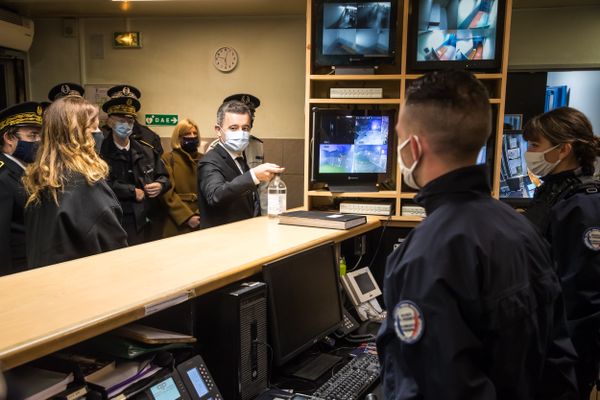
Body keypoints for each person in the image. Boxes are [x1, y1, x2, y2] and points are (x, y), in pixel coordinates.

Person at [376, 70, 578, 399]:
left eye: (397, 138)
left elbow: (430, 387)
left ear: (413, 147)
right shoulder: (520, 228)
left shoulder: (424, 254)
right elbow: (558, 359)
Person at [522, 107, 600, 398]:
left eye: (534, 145)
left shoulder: (583, 204)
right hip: (543, 338)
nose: (528, 152)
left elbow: (582, 294)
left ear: (563, 149)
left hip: (563, 352)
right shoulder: (554, 190)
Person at [22, 96, 127, 268]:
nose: (100, 133)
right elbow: (113, 252)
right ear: (79, 136)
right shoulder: (88, 186)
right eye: (95, 127)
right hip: (83, 286)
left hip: (45, 283)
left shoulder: (41, 182)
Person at [197, 100, 283, 229]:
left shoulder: (240, 158)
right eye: (233, 128)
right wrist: (253, 175)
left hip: (243, 233)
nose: (241, 133)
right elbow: (216, 196)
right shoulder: (209, 161)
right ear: (218, 130)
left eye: (245, 128)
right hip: (221, 239)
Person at [99, 94, 170, 245]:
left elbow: (164, 176)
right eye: (121, 121)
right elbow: (101, 184)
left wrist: (160, 185)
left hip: (145, 220)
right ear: (110, 122)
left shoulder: (146, 151)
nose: (126, 125)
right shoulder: (100, 153)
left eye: (130, 121)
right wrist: (131, 191)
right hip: (115, 218)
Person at [0, 102, 42, 275]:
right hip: (18, 270)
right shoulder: (3, 178)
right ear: (9, 138)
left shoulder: (27, 170)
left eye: (39, 136)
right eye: (32, 136)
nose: (38, 142)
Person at [208, 93, 268, 214]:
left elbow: (263, 187)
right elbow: (215, 193)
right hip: (232, 212)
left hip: (254, 210)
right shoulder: (214, 151)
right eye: (234, 127)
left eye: (250, 115)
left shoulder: (257, 145)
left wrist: (265, 216)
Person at [160, 118, 202, 237]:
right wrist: (187, 217)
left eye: (195, 133)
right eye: (187, 134)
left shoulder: (204, 159)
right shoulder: (168, 158)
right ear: (178, 137)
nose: (192, 136)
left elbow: (208, 189)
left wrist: (199, 214)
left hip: (202, 219)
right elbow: (167, 193)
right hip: (177, 221)